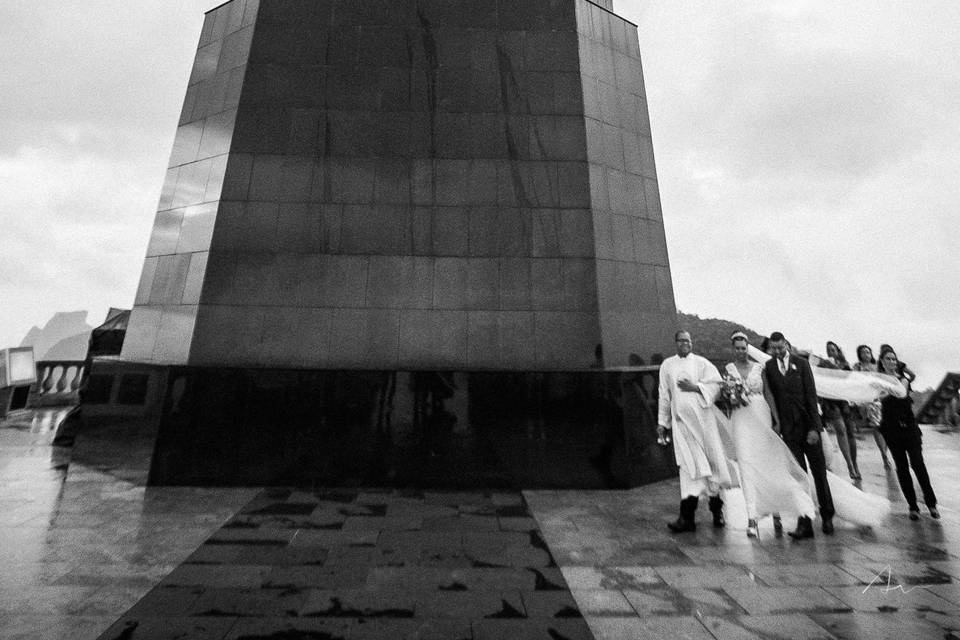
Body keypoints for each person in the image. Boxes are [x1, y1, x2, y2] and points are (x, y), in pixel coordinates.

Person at [722, 333, 816, 538]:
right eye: (737, 348)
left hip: (761, 416)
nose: (741, 351)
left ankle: (776, 510)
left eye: (743, 347)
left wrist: (776, 420)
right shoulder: (729, 370)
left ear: (748, 348)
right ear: (733, 349)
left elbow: (768, 394)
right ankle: (752, 518)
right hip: (741, 420)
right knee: (746, 466)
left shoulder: (759, 368)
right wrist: (733, 397)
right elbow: (726, 399)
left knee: (769, 463)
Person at [657, 330, 733, 532]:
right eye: (682, 341)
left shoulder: (702, 363)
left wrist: (696, 387)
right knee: (689, 470)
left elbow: (717, 386)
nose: (685, 344)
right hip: (683, 428)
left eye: (688, 341)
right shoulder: (668, 365)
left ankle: (717, 511)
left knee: (712, 468)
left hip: (704, 427)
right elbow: (664, 395)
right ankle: (687, 518)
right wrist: (662, 422)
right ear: (675, 343)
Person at [763, 332, 835, 538]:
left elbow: (811, 396)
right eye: (773, 349)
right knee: (799, 476)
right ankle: (805, 521)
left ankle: (827, 513)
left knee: (819, 473)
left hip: (808, 426)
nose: (777, 351)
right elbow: (772, 398)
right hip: (789, 429)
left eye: (780, 347)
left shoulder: (801, 364)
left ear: (786, 344)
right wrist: (777, 424)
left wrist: (815, 428)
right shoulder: (769, 368)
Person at [877, 347, 939, 520]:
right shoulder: (877, 381)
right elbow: (878, 398)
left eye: (894, 359)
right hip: (891, 429)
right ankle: (912, 506)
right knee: (902, 467)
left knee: (918, 464)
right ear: (882, 362)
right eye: (888, 359)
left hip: (909, 427)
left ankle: (931, 503)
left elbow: (900, 391)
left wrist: (886, 388)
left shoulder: (903, 379)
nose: (891, 362)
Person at [819, 341, 860, 480]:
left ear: (838, 351)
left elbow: (849, 380)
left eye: (833, 349)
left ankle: (855, 463)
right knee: (841, 430)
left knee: (850, 433)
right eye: (828, 349)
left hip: (844, 400)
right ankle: (849, 465)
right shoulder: (823, 364)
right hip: (831, 401)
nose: (830, 352)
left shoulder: (845, 366)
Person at [852, 345, 890, 468]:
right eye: (863, 352)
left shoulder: (877, 366)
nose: (866, 354)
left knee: (886, 428)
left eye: (868, 352)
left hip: (881, 397)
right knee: (877, 427)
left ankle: (886, 452)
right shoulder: (857, 367)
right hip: (869, 400)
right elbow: (854, 381)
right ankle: (884, 455)